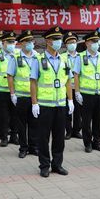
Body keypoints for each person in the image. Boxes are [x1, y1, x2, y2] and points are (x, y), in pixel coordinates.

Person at [30, 27, 73, 177]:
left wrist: (70, 100)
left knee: (59, 137)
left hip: (60, 104)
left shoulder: (64, 60)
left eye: (59, 39)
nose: (58, 42)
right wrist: (34, 103)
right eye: (55, 39)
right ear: (47, 41)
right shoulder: (39, 59)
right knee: (43, 137)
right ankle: (44, 165)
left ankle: (57, 164)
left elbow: (68, 81)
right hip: (45, 105)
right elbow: (33, 82)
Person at [73, 30, 100, 153]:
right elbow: (76, 75)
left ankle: (97, 141)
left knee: (98, 119)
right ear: (87, 43)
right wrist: (77, 92)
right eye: (93, 41)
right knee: (86, 120)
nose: (96, 44)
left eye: (97, 41)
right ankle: (87, 143)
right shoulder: (80, 57)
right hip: (86, 94)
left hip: (99, 93)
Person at [14, 31, 40, 158]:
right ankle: (23, 148)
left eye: (31, 41)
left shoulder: (38, 57)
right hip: (21, 96)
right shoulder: (16, 58)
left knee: (34, 123)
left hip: (35, 97)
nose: (30, 43)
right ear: (22, 43)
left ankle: (33, 147)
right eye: (27, 41)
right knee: (21, 124)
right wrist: (13, 93)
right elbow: (10, 76)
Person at [0, 31, 18, 147]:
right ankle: (3, 137)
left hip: (15, 91)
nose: (12, 44)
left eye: (13, 42)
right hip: (1, 91)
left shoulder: (18, 55)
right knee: (3, 116)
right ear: (3, 43)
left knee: (15, 115)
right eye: (9, 42)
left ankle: (14, 136)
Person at [61, 31, 83, 140]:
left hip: (78, 88)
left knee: (78, 111)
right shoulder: (62, 57)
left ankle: (77, 131)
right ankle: (68, 131)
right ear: (65, 44)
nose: (72, 44)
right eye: (69, 42)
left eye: (73, 42)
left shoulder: (82, 56)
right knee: (67, 111)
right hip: (67, 88)